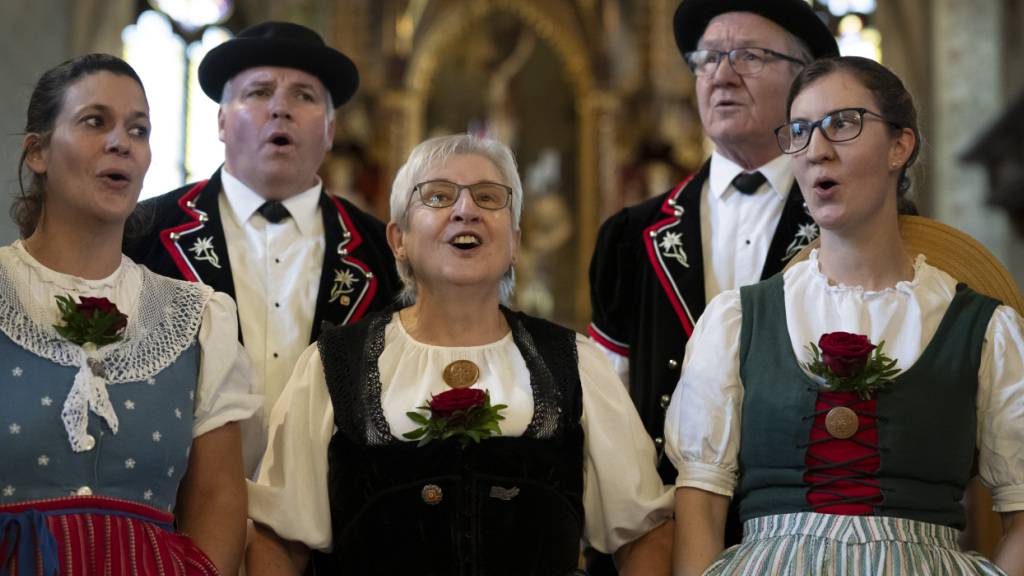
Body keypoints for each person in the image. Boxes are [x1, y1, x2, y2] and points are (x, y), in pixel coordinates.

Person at [245, 134, 675, 576]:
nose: (465, 210)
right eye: (438, 196)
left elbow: (644, 533)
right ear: (399, 239)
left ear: (514, 242)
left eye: (488, 198)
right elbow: (279, 539)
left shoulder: (574, 363)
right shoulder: (332, 365)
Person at [666, 55, 1024, 575]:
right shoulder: (737, 322)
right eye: (801, 131)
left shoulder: (984, 330)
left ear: (901, 145)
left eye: (842, 124)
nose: (816, 151)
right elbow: (699, 509)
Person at [0, 54, 258, 575]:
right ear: (38, 152)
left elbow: (217, 501)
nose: (121, 142)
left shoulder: (197, 317)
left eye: (137, 130)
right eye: (95, 122)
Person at [125, 22, 400, 470]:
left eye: (304, 96)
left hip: (334, 516)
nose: (280, 109)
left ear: (330, 130)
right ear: (220, 121)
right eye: (258, 92)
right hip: (179, 509)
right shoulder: (143, 233)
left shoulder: (382, 252)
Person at [588, 0, 839, 480]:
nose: (721, 76)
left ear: (803, 79)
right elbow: (608, 412)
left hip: (805, 519)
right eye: (707, 59)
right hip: (661, 519)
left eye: (748, 56)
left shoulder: (844, 223)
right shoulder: (629, 236)